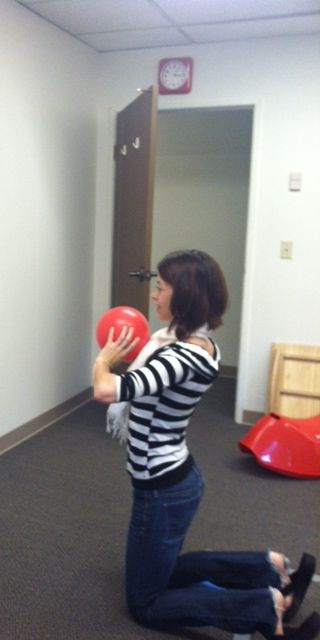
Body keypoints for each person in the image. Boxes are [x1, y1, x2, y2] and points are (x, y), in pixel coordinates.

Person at [92, 249, 319, 640]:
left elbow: (106, 390)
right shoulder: (191, 342)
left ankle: (264, 609)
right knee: (168, 572)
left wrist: (104, 359)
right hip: (175, 481)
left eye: (161, 288)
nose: (154, 296)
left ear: (186, 296)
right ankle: (274, 571)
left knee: (145, 603)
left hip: (162, 489)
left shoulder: (180, 356)